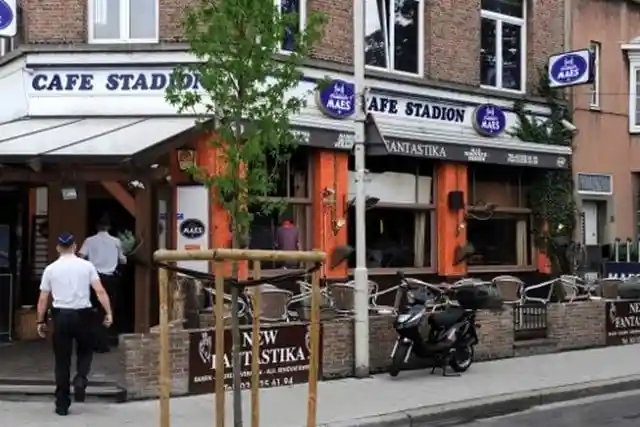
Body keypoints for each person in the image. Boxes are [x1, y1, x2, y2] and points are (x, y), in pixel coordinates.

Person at [36, 232, 113, 416]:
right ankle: (81, 377)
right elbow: (100, 291)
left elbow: (43, 298)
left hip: (61, 316)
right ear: (75, 247)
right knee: (86, 349)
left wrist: (40, 321)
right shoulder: (87, 266)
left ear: (57, 248)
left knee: (61, 361)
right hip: (83, 315)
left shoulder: (50, 269)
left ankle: (62, 403)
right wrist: (108, 312)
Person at [79, 214, 126, 351]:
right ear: (109, 227)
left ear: (96, 227)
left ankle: (93, 342)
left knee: (93, 311)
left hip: (94, 278)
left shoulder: (89, 241)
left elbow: (81, 256)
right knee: (107, 310)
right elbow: (122, 260)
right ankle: (103, 343)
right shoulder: (116, 241)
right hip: (110, 279)